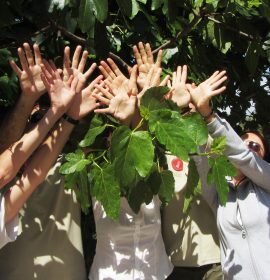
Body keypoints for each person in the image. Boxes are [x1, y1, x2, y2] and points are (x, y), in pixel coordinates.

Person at [0, 44, 102, 280]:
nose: (42, 127)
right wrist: (29, 101)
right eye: (34, 117)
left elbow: (31, 178)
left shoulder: (74, 161)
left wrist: (66, 114)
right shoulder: (11, 160)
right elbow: (6, 165)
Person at [89, 54, 173, 279]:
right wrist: (125, 120)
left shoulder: (152, 164)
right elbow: (123, 167)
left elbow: (141, 154)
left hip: (157, 272)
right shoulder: (96, 167)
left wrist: (141, 107)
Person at [186, 70, 270, 279]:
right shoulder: (220, 192)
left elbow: (244, 158)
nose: (248, 148)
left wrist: (208, 114)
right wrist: (191, 115)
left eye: (255, 146)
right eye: (243, 142)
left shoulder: (267, 183)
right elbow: (201, 161)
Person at [163, 65, 222, 280]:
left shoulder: (213, 145)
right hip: (174, 262)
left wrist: (196, 111)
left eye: (191, 106)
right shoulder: (163, 152)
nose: (187, 111)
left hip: (215, 260)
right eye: (182, 108)